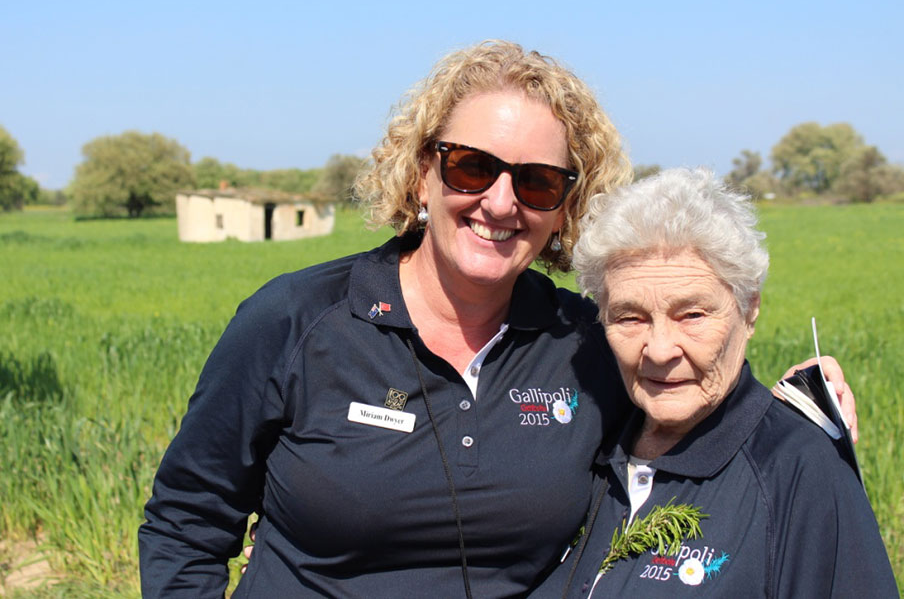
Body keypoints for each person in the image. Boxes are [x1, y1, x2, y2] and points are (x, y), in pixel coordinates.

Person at [138, 42, 856, 598]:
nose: (502, 202)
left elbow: (684, 387)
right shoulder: (297, 321)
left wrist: (801, 420)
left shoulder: (586, 343)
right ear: (423, 172)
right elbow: (185, 520)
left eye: (538, 180)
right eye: (472, 167)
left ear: (565, 207)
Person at [531, 168, 895, 597]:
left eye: (693, 315)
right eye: (630, 317)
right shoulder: (587, 434)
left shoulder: (799, 470)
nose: (660, 349)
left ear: (750, 311)